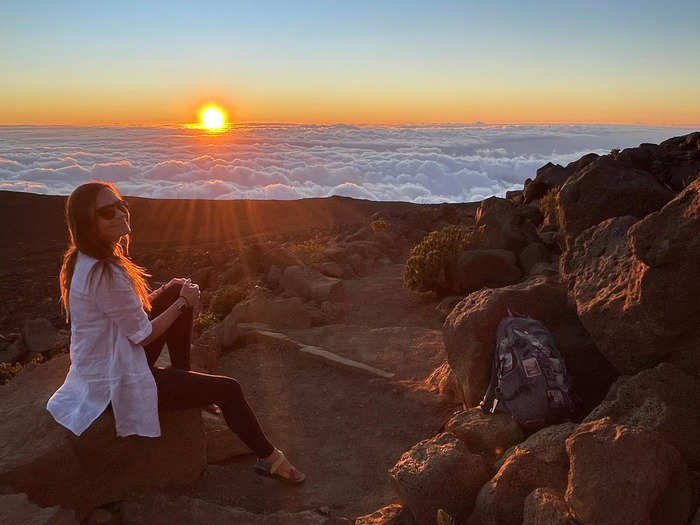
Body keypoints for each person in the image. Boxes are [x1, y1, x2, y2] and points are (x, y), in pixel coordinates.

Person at [46, 181, 305, 484]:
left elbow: (129, 319)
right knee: (229, 389)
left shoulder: (81, 258)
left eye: (120, 204)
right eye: (106, 211)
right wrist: (184, 304)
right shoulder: (105, 272)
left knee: (174, 288)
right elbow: (142, 335)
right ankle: (270, 459)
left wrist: (176, 296)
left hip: (107, 361)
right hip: (115, 382)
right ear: (88, 224)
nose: (119, 213)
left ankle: (184, 376)